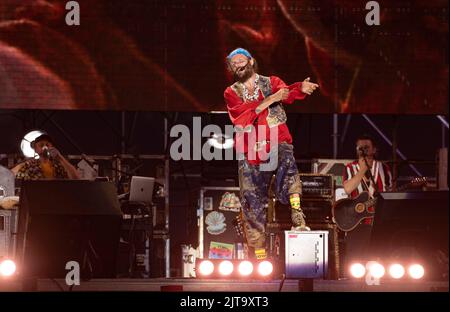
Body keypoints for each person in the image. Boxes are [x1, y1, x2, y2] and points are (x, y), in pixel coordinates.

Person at [224, 48, 319, 259]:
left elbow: (286, 93)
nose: (237, 65)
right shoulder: (231, 92)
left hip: (277, 140)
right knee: (252, 199)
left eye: (240, 60)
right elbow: (243, 116)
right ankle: (258, 254)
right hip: (250, 149)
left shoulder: (271, 82)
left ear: (251, 61)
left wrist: (300, 88)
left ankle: (297, 215)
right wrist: (270, 100)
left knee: (288, 165)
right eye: (233, 63)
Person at [342, 134, 392, 263]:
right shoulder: (350, 168)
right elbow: (348, 189)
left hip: (378, 222)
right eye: (360, 147)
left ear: (374, 150)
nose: (363, 150)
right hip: (357, 222)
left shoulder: (383, 168)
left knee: (377, 256)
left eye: (366, 147)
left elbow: (389, 193)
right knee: (355, 259)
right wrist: (362, 170)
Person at [12, 133, 80, 180]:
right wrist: (23, 164)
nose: (45, 147)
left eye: (47, 145)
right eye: (41, 145)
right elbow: (10, 176)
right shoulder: (30, 166)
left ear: (52, 147)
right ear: (35, 149)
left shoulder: (59, 165)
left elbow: (76, 178)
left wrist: (60, 157)